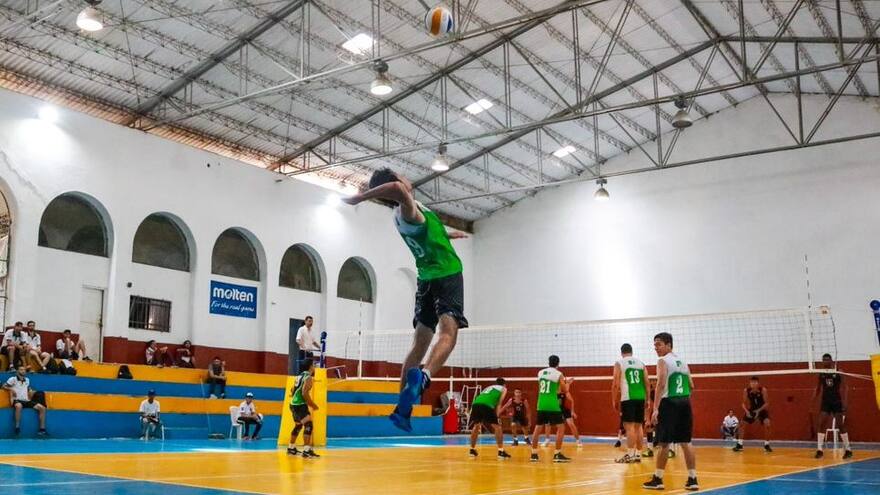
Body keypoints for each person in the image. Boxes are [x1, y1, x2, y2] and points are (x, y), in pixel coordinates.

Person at [343, 169, 468, 432]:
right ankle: (424, 377)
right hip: (447, 275)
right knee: (448, 334)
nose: (407, 180)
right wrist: (361, 197)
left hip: (425, 280)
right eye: (401, 178)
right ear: (396, 183)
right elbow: (400, 191)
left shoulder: (402, 216)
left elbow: (427, 228)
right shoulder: (406, 209)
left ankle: (402, 409)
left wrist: (447, 235)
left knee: (419, 342)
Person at [643, 332, 698, 491]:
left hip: (669, 403)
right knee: (686, 442)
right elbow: (692, 386)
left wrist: (655, 409)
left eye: (659, 344)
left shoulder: (662, 361)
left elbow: (660, 385)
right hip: (685, 402)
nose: (656, 348)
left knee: (664, 443)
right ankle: (693, 479)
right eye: (655, 345)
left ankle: (658, 479)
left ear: (668, 345)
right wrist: (683, 399)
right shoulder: (683, 361)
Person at [530, 355, 571, 463]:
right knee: (561, 428)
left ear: (548, 362)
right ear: (558, 363)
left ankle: (533, 454)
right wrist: (568, 383)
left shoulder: (540, 373)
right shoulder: (559, 374)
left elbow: (547, 389)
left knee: (537, 429)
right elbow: (565, 390)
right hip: (552, 405)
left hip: (541, 404)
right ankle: (557, 454)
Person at [612, 343, 648, 464]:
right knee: (639, 426)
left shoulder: (619, 363)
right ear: (631, 352)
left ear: (622, 352)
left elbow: (616, 384)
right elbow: (647, 383)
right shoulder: (641, 364)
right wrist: (647, 399)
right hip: (640, 397)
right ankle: (638, 454)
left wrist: (614, 399)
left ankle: (630, 454)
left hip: (628, 397)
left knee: (629, 427)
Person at [813, 353, 853, 459]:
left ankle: (848, 449)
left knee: (840, 425)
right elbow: (817, 388)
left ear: (831, 360)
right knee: (821, 423)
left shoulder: (838, 371)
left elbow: (845, 387)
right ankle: (819, 450)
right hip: (825, 401)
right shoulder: (821, 373)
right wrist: (812, 402)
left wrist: (845, 402)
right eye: (824, 360)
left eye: (827, 359)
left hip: (836, 401)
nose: (825, 361)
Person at [468, 378, 512, 459]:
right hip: (486, 405)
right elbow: (499, 403)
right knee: (498, 427)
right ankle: (501, 451)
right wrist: (498, 415)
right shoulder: (504, 388)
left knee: (476, 426)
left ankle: (472, 450)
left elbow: (481, 397)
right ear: (504, 384)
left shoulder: (488, 387)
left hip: (475, 404)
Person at [287, 358, 320, 458]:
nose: (314, 367)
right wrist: (313, 405)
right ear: (310, 366)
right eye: (314, 365)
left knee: (298, 425)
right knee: (308, 425)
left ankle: (291, 448)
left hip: (293, 404)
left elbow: (292, 390)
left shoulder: (299, 376)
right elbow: (304, 393)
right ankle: (306, 451)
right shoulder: (308, 377)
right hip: (300, 405)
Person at [3, 365, 48, 436]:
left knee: (42, 408)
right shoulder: (13, 379)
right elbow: (4, 386)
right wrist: (11, 389)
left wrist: (30, 391)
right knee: (19, 406)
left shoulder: (27, 380)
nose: (23, 371)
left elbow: (28, 388)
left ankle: (42, 429)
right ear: (17, 371)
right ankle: (17, 427)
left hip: (26, 400)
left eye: (24, 370)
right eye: (21, 369)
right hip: (17, 400)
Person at [734, 376, 772, 453]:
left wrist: (758, 411)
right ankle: (739, 444)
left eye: (755, 382)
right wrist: (747, 411)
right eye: (751, 382)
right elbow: (743, 403)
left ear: (758, 383)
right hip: (752, 410)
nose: (753, 384)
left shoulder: (763, 390)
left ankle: (767, 445)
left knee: (767, 424)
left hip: (762, 409)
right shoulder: (746, 390)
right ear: (750, 383)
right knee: (742, 424)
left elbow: (767, 403)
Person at [560, 377, 582, 448]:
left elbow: (572, 401)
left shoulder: (566, 392)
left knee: (571, 424)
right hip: (557, 410)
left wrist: (572, 411)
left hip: (565, 410)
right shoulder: (555, 391)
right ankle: (552, 440)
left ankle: (578, 441)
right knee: (559, 427)